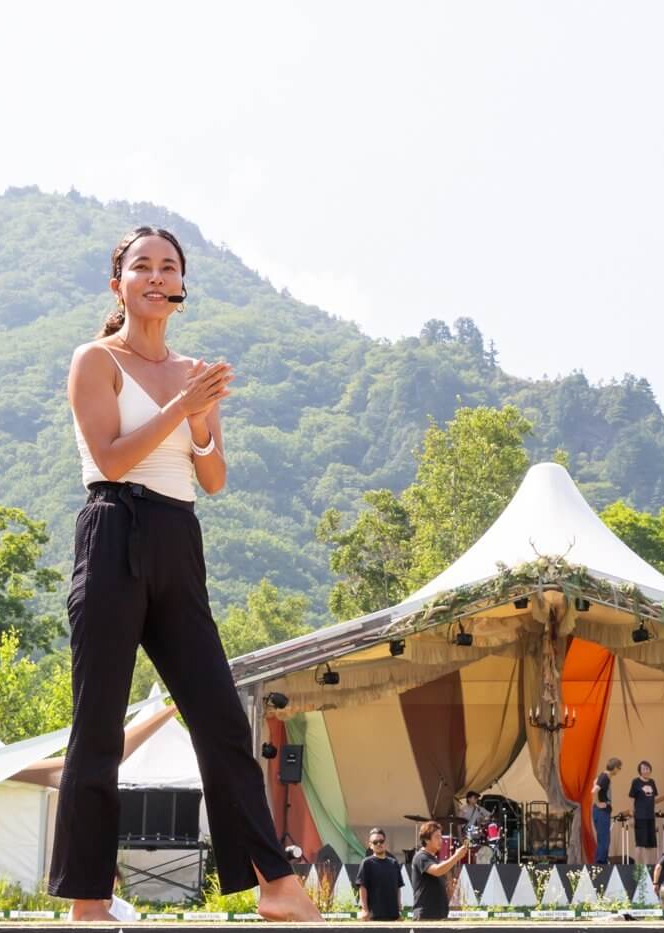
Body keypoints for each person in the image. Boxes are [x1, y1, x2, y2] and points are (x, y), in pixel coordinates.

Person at [52, 227, 318, 923]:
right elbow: (109, 458)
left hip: (178, 534)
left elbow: (214, 475)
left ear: (180, 287)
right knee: (99, 725)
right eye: (142, 265)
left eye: (168, 265)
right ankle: (88, 900)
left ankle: (276, 883)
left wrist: (200, 418)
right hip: (112, 530)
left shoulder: (194, 370)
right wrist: (179, 405)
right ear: (119, 285)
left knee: (222, 717)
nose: (155, 274)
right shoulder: (95, 360)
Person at [411, 820, 469, 920]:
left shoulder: (434, 859)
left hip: (439, 914)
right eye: (437, 837)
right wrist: (456, 856)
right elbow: (437, 871)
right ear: (427, 840)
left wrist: (451, 890)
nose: (441, 840)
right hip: (425, 915)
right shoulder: (421, 857)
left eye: (441, 836)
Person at [356, 828, 405, 921]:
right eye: (375, 842)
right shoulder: (366, 863)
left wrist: (399, 909)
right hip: (374, 915)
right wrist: (364, 910)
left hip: (393, 915)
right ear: (370, 845)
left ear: (385, 843)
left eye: (381, 841)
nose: (379, 844)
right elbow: (362, 887)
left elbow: (397, 887)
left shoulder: (394, 863)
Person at [591, 758, 622, 864]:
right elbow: (594, 790)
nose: (619, 771)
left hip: (601, 812)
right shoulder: (605, 777)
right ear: (614, 768)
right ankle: (600, 864)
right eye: (619, 768)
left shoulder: (603, 776)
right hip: (601, 812)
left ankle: (600, 863)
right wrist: (597, 803)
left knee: (603, 839)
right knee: (604, 840)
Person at [628, 760, 659, 864]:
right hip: (640, 817)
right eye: (643, 769)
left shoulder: (652, 782)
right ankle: (639, 866)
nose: (646, 770)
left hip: (650, 817)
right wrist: (632, 816)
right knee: (641, 843)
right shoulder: (636, 782)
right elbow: (632, 799)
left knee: (651, 843)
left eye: (647, 768)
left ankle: (649, 865)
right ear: (640, 771)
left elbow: (653, 799)